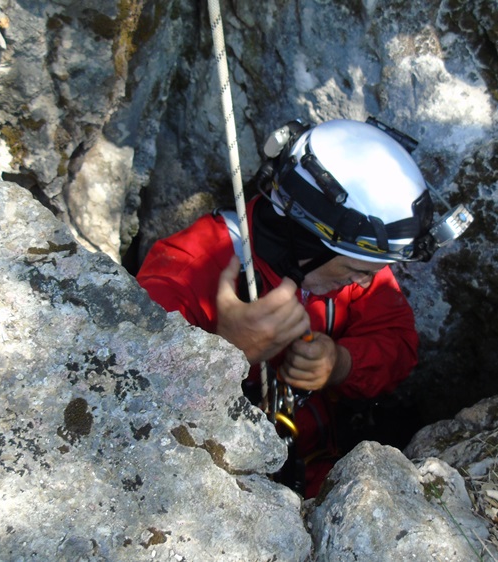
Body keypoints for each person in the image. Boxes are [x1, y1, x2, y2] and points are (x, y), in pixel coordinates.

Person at [136, 118, 470, 497]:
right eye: (359, 271)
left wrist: (342, 364)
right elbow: (131, 395)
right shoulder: (187, 266)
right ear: (310, 242)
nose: (366, 282)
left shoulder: (352, 265)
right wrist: (225, 351)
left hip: (318, 469)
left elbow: (398, 341)